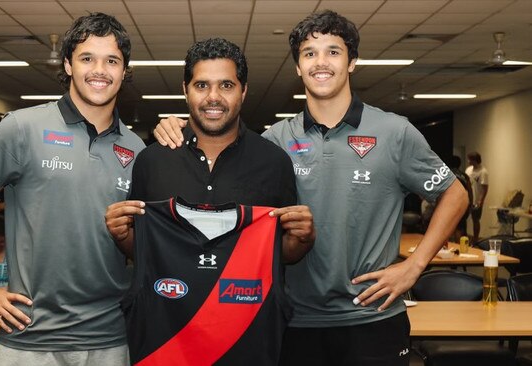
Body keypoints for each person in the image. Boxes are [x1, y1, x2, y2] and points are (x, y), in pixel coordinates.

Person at [153, 10, 468, 366]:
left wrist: (414, 266)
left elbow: (455, 194)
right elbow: (219, 145)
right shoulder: (274, 141)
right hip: (294, 320)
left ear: (352, 62)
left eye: (333, 51)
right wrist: (183, 128)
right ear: (297, 68)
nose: (321, 62)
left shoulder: (394, 132)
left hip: (373, 317)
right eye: (309, 53)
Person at [0, 12, 145, 366]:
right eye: (87, 58)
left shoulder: (136, 150)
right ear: (68, 64)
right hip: (28, 336)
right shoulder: (22, 127)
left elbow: (139, 242)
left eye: (111, 60)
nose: (100, 70)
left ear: (124, 71)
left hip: (110, 338)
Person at [105, 38, 315, 365]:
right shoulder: (152, 161)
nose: (213, 97)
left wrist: (301, 239)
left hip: (247, 344)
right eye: (202, 85)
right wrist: (123, 236)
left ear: (243, 91)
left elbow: (279, 255)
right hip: (165, 344)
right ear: (185, 90)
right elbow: (147, 253)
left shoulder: (274, 163)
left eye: (226, 85)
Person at [465, 151, 488, 241]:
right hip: (467, 199)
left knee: (475, 220)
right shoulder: (468, 170)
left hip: (476, 200)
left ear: (475, 160)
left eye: (470, 159)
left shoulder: (483, 172)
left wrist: (480, 201)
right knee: (463, 219)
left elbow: (485, 188)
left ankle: (475, 239)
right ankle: (464, 237)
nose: (468, 161)